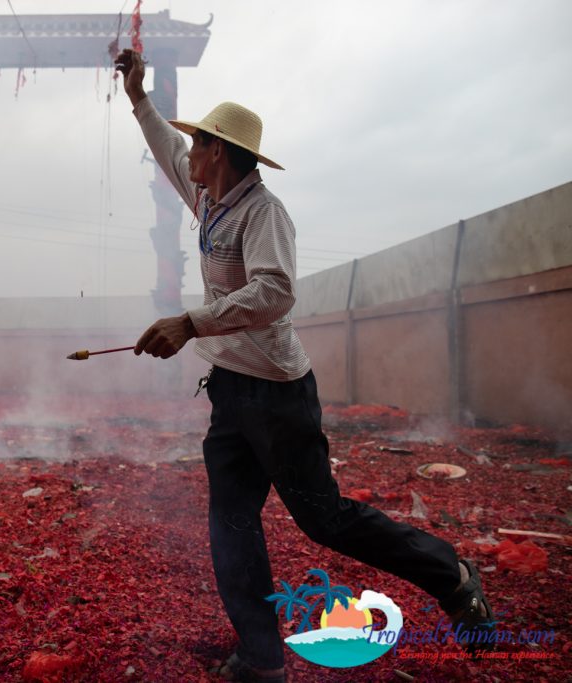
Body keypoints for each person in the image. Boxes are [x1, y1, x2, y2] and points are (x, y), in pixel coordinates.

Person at [114, 48, 495, 682]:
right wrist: (137, 97)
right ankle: (262, 659)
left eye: (199, 144)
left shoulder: (265, 214)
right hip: (232, 393)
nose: (190, 156)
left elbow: (275, 291)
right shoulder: (210, 198)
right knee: (230, 523)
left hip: (278, 397)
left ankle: (450, 576)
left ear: (221, 152)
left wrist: (191, 322)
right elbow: (164, 151)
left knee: (325, 521)